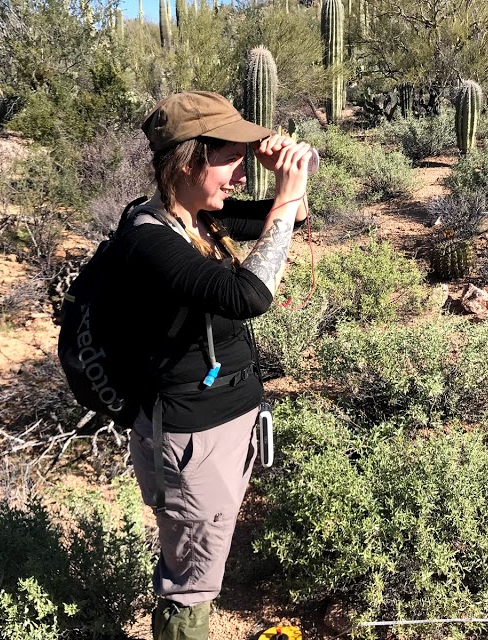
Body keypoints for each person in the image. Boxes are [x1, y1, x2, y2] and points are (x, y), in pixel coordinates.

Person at [94, 91, 312, 640]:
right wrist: (283, 199)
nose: (240, 173)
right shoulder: (150, 241)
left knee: (203, 559)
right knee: (190, 582)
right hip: (192, 437)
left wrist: (286, 179)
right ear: (191, 160)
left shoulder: (195, 217)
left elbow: (288, 220)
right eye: (230, 158)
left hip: (225, 421)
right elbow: (250, 295)